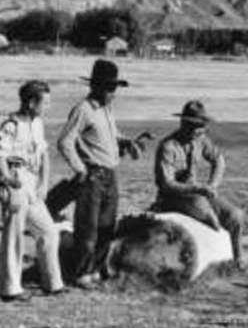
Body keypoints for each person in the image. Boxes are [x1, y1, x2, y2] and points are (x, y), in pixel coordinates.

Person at [58, 59, 142, 289]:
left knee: (107, 226)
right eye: (107, 87)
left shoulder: (107, 109)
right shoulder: (83, 110)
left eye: (114, 88)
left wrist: (128, 142)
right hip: (92, 176)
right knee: (88, 228)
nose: (111, 92)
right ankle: (81, 272)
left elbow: (113, 134)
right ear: (94, 86)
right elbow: (65, 141)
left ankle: (95, 268)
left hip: (110, 175)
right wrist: (80, 168)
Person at [152, 100, 245, 268]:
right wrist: (198, 188)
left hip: (198, 194)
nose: (198, 131)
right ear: (183, 123)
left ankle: (237, 261)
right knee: (204, 210)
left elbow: (219, 160)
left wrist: (213, 185)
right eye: (194, 126)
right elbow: (167, 185)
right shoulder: (168, 147)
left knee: (235, 216)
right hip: (173, 197)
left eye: (201, 126)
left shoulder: (201, 139)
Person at [0, 80, 67, 301]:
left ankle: (52, 283)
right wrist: (9, 180)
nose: (47, 106)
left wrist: (44, 184)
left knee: (49, 231)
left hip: (33, 183)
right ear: (31, 102)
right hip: (16, 180)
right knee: (14, 235)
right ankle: (11, 288)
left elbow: (45, 154)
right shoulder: (10, 124)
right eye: (44, 102)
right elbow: (0, 155)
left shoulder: (38, 123)